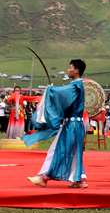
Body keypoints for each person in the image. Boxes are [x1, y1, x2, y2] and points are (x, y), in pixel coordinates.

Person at [24, 60, 89, 188]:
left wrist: (50, 90)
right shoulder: (77, 85)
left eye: (70, 68)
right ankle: (79, 179)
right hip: (75, 124)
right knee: (74, 152)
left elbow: (61, 93)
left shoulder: (75, 86)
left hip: (71, 125)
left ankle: (43, 177)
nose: (68, 70)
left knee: (56, 150)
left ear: (76, 71)